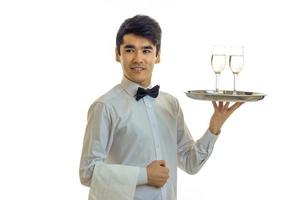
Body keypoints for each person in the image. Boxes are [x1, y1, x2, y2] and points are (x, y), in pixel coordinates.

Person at [79, 14, 243, 200]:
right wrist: (145, 175)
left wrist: (214, 127)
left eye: (146, 50)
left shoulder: (170, 104)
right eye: (130, 50)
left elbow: (191, 163)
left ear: (157, 56)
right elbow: (88, 172)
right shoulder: (105, 106)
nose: (138, 58)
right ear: (118, 54)